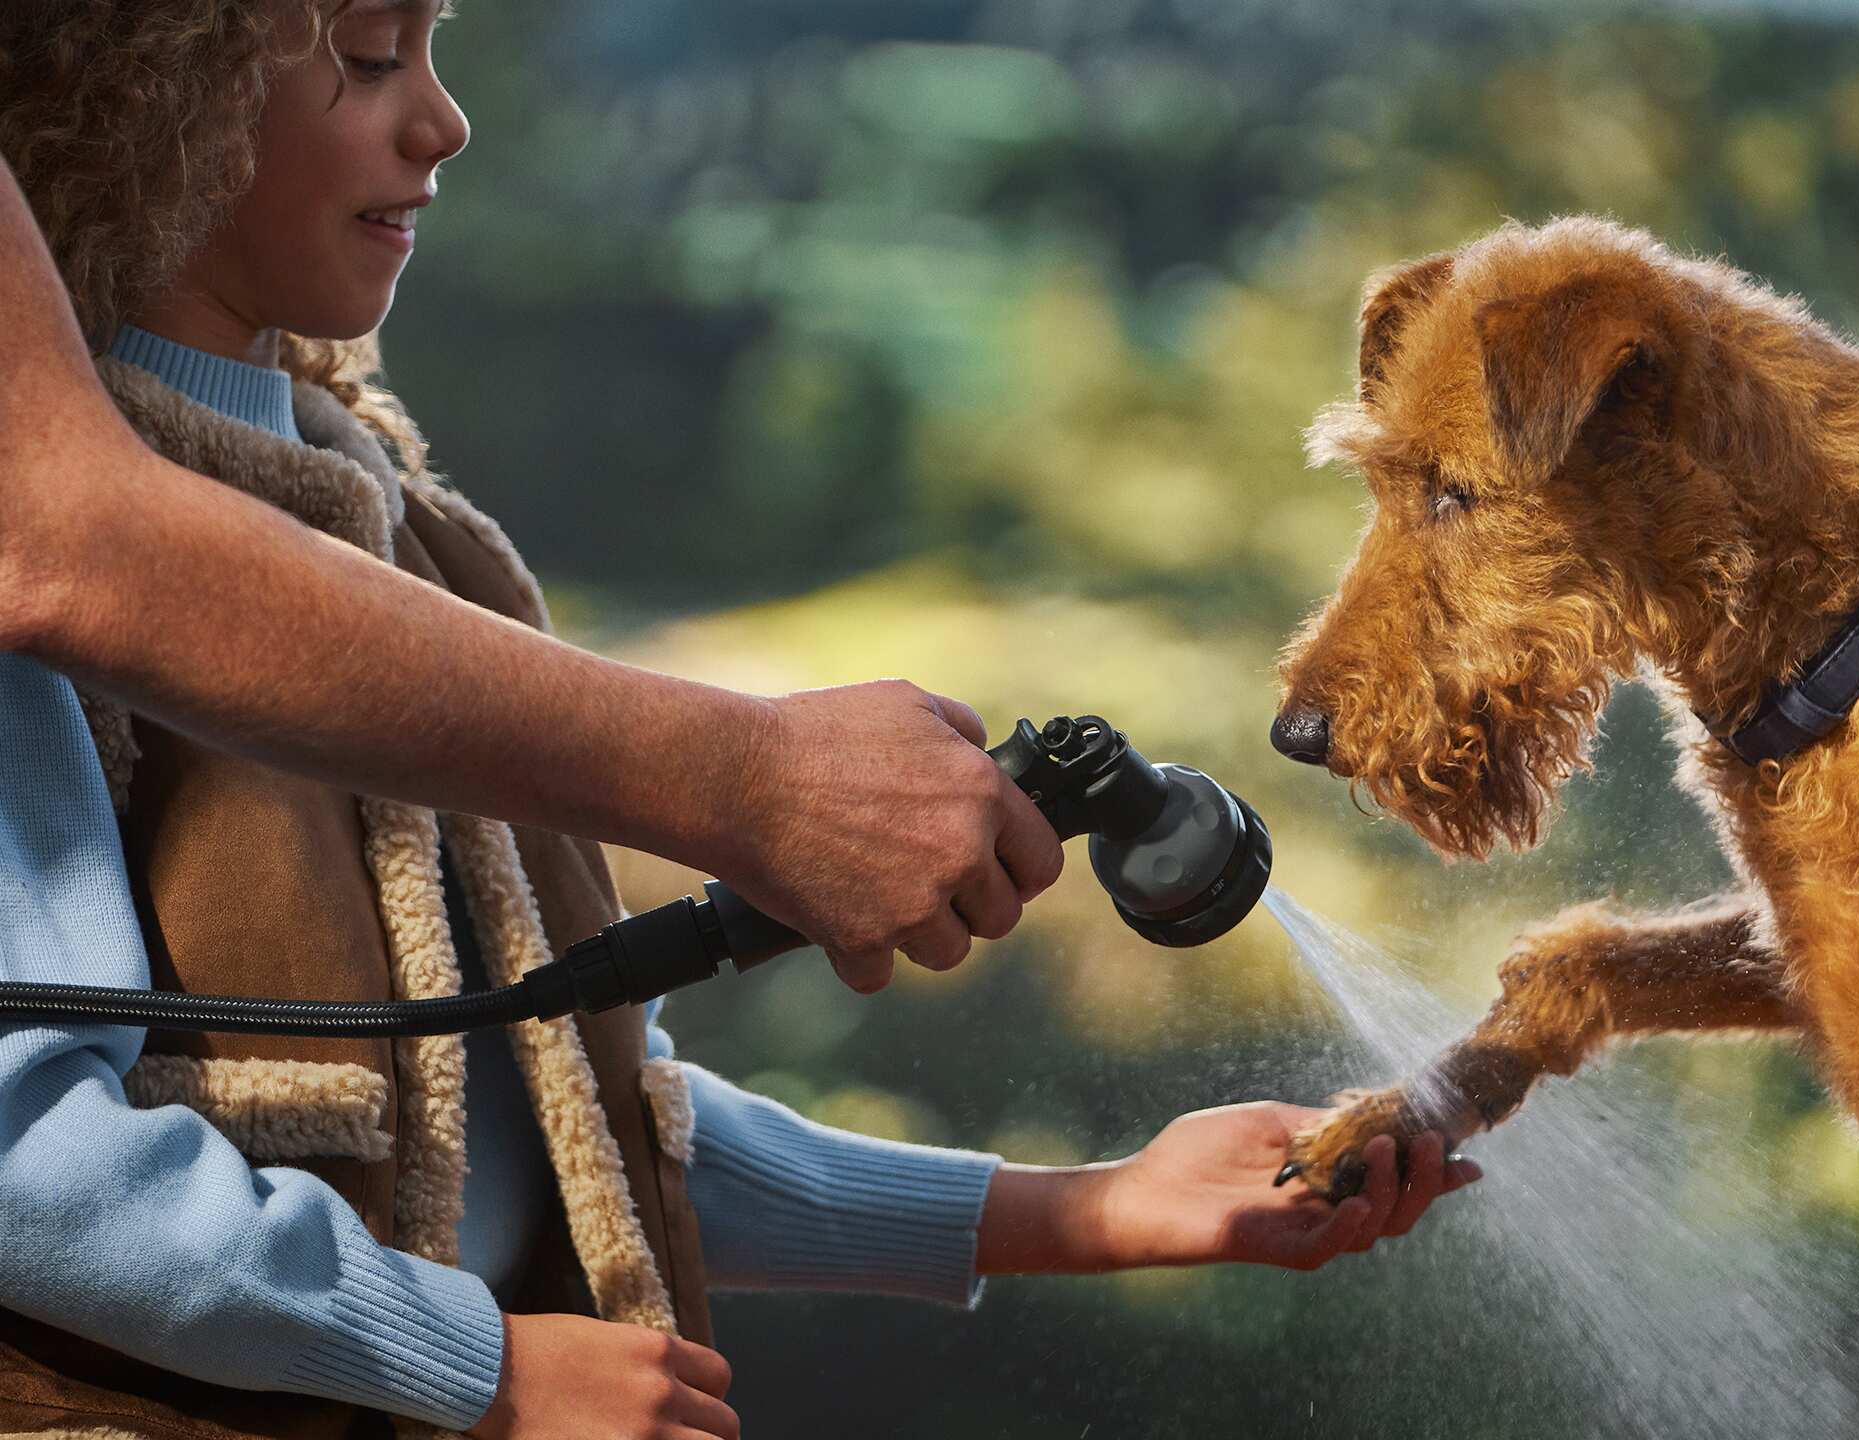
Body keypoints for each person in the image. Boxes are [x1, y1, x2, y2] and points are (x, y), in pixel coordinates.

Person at [0, 4, 1476, 1438]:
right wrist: (471, 1370)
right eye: (370, 58)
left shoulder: (426, 555)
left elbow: (573, 1120)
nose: (444, 120)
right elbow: (29, 1161)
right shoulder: (56, 609)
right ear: (151, 90)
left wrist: (1087, 1208)